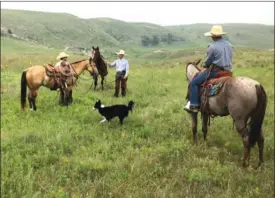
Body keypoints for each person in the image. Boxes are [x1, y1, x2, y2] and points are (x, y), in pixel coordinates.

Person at [184, 25, 233, 113]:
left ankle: (194, 105)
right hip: (228, 71)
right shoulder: (229, 45)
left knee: (194, 82)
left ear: (213, 36)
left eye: (211, 35)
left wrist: (204, 64)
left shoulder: (212, 47)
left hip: (216, 71)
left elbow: (208, 62)